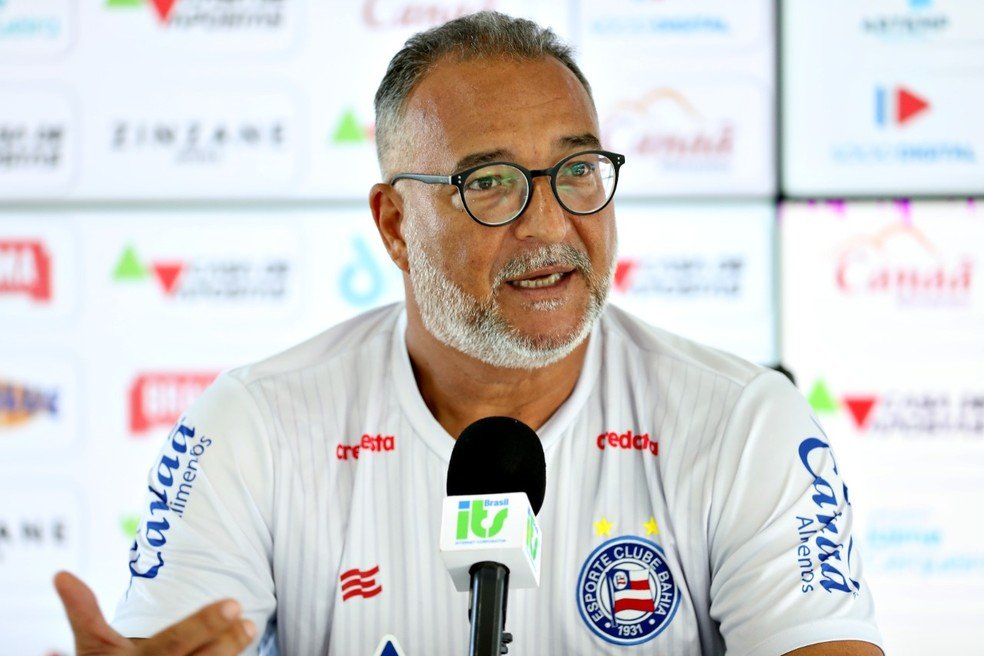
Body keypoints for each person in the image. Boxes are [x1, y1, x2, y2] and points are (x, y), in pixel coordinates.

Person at [55, 11, 884, 656]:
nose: (549, 223)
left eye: (577, 170)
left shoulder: (743, 423)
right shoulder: (254, 426)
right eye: (490, 183)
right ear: (395, 225)